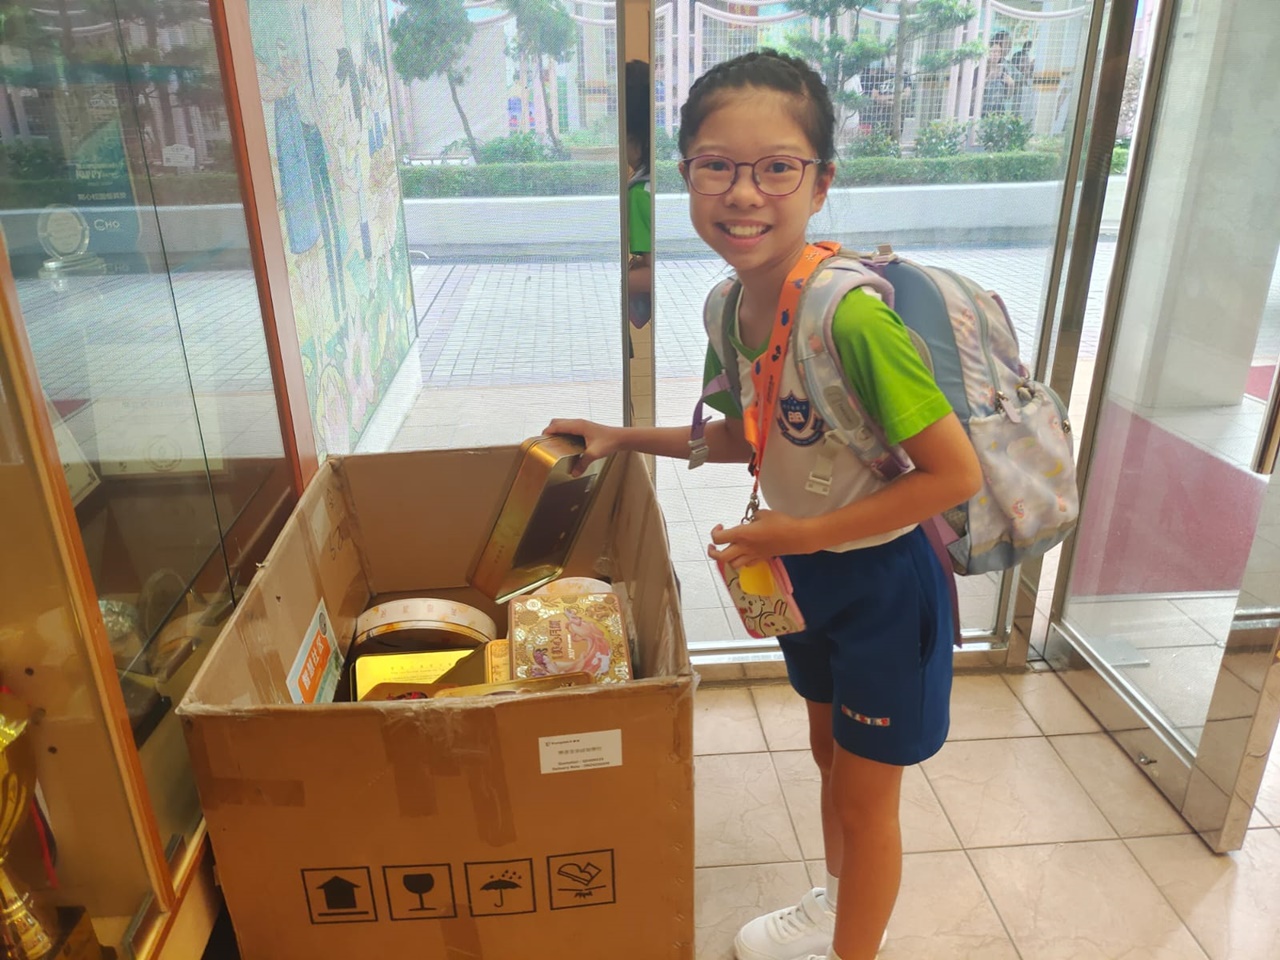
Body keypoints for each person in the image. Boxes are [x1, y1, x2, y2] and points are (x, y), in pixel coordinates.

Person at [546, 49, 982, 960]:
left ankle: (852, 948)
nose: (744, 193)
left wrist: (806, 532)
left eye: (777, 167)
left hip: (882, 585)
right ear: (687, 176)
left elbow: (953, 477)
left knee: (867, 800)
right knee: (830, 758)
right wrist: (622, 437)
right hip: (803, 574)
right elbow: (748, 438)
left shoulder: (852, 317)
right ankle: (835, 909)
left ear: (821, 183)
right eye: (716, 166)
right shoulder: (728, 307)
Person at [982, 30, 1016, 117]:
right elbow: (971, 95)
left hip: (999, 112)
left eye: (998, 52)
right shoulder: (981, 68)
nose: (996, 54)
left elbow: (1007, 96)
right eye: (994, 51)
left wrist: (1011, 84)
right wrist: (988, 78)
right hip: (983, 111)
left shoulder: (1004, 68)